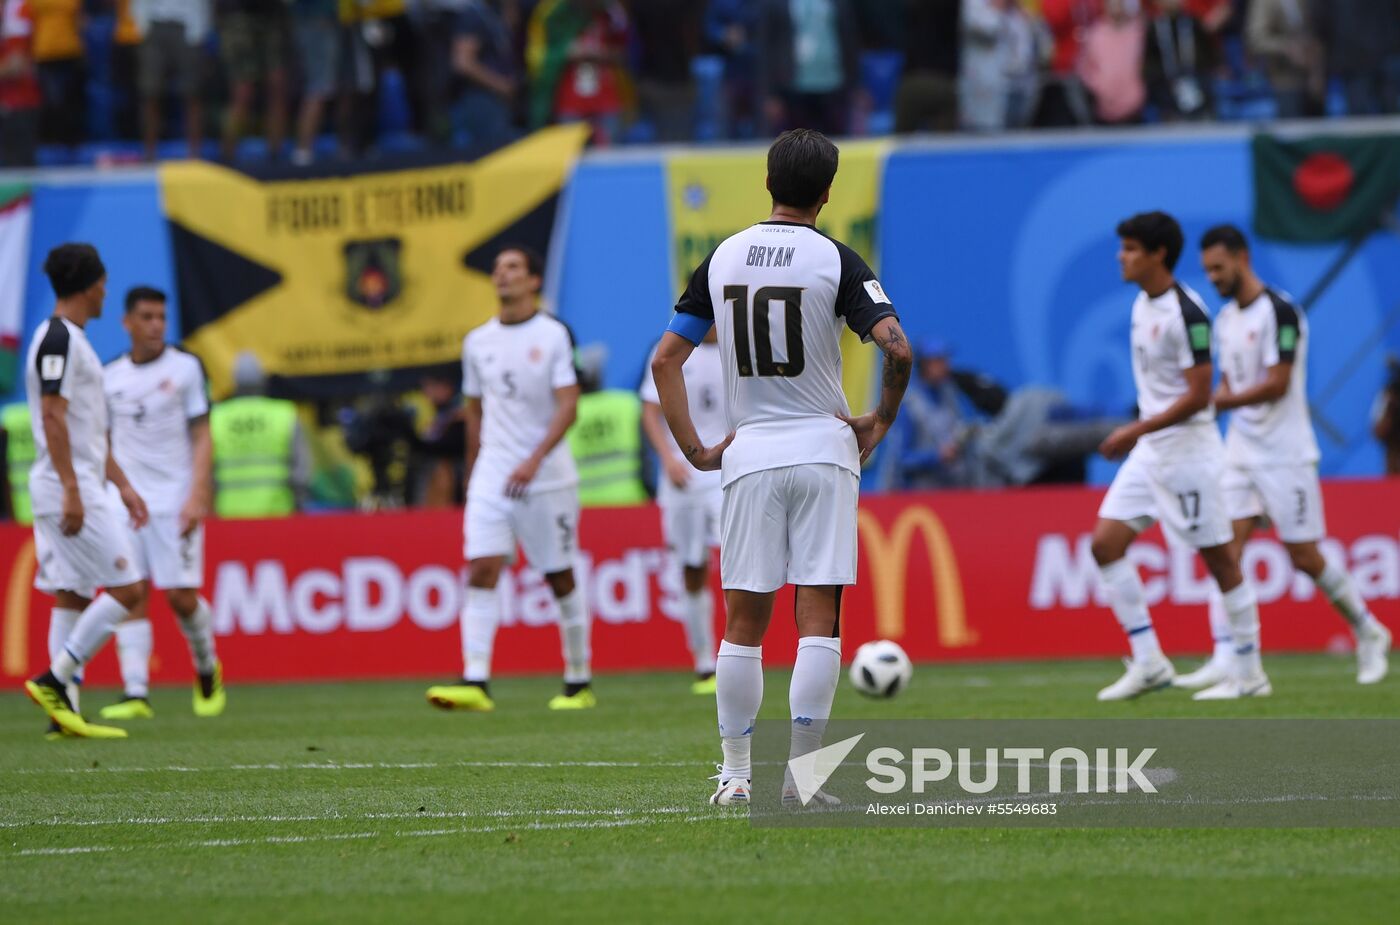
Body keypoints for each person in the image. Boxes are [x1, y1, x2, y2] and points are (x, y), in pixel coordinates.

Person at [651, 129, 912, 806]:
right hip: (824, 448)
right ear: (827, 193)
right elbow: (898, 348)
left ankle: (735, 775)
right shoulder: (838, 259)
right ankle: (803, 778)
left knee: (744, 620)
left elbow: (664, 361)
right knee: (817, 615)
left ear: (768, 182)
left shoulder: (723, 257)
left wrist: (696, 449)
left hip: (750, 452)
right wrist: (879, 421)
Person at [1184, 226, 1390, 689]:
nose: (1213, 277)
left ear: (1242, 258)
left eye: (1219, 267)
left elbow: (1277, 385)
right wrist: (1208, 410)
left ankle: (1367, 629)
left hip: (1286, 455)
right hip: (1240, 451)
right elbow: (1227, 386)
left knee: (1303, 556)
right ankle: (1230, 658)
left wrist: (1218, 404)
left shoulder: (1280, 312)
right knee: (1223, 551)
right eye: (1207, 271)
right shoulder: (1224, 321)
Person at [1091, 211, 1264, 702]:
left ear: (1157, 254)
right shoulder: (1140, 305)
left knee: (1221, 560)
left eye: (1129, 249)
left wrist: (1135, 429)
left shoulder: (1188, 314)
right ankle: (1149, 662)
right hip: (1151, 452)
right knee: (1104, 545)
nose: (1121, 258)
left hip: (1188, 451)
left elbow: (1199, 394)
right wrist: (1142, 433)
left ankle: (1250, 672)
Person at [425, 246, 593, 713]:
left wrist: (534, 459)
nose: (503, 275)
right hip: (493, 474)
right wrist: (473, 467)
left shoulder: (554, 334)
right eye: (498, 269)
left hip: (546, 476)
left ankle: (578, 679)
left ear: (534, 280)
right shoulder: (477, 341)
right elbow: (475, 411)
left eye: (514, 267)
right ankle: (475, 679)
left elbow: (569, 404)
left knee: (558, 576)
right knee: (481, 567)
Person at [21, 244, 148, 740]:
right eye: (103, 283)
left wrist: (124, 485)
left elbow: (86, 430)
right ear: (90, 284)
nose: (106, 292)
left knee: (71, 595)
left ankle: (63, 713)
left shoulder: (70, 339)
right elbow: (53, 416)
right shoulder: (59, 340)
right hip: (67, 486)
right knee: (127, 588)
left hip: (78, 482)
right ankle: (56, 678)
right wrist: (73, 488)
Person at [95, 286, 227, 722]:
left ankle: (207, 667)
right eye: (147, 317)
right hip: (125, 502)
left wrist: (198, 493)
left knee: (181, 597)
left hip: (175, 499)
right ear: (127, 323)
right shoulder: (109, 376)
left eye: (161, 318)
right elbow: (103, 442)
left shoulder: (186, 368)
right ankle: (135, 691)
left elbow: (202, 432)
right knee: (130, 590)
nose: (155, 326)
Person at [640, 327, 725, 694]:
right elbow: (650, 410)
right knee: (691, 566)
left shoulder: (740, 349)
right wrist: (667, 459)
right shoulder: (671, 349)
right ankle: (704, 663)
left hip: (728, 470)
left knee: (738, 560)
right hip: (682, 475)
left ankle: (740, 652)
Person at [210, 352, 309, 518]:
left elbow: (207, 471)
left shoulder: (217, 417)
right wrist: (298, 503)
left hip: (229, 516)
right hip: (277, 513)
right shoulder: (285, 414)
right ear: (263, 379)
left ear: (235, 381)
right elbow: (301, 471)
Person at [133, 0, 211, 160]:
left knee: (193, 94)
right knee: (150, 94)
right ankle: (149, 155)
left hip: (188, 24)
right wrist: (142, 25)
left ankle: (194, 156)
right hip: (154, 24)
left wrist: (200, 29)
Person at [219, 0, 292, 162]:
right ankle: (227, 158)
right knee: (243, 91)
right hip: (238, 16)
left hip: (272, 16)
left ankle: (275, 157)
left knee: (278, 85)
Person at [0, 0, 41, 167]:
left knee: (19, 175)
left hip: (19, 104)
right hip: (7, 104)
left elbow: (17, 64)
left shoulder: (17, 9)